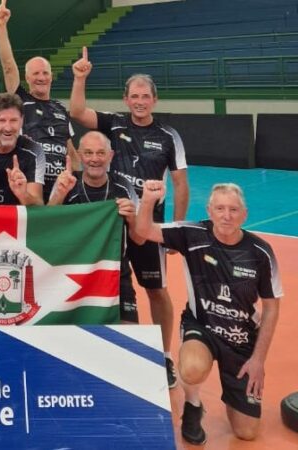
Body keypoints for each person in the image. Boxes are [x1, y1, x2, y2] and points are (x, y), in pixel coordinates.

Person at [70, 47, 190, 387]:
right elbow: (77, 111)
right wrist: (80, 78)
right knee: (107, 285)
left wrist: (175, 229)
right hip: (112, 225)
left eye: (144, 96)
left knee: (156, 290)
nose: (139, 102)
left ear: (154, 100)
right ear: (126, 99)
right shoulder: (114, 123)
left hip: (148, 226)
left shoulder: (168, 136)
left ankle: (164, 356)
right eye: (134, 96)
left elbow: (181, 184)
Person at [135, 181, 281, 445]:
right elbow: (144, 230)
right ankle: (193, 405)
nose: (226, 216)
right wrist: (147, 200)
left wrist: (258, 360)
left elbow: (271, 308)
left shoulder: (260, 252)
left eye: (233, 210)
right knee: (192, 368)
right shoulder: (192, 234)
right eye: (220, 208)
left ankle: (235, 396)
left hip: (241, 339)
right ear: (209, 210)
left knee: (246, 431)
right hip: (201, 326)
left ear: (245, 214)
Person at [48, 131, 144, 323]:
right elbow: (47, 228)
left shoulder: (123, 187)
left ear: (111, 156)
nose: (94, 159)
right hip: (73, 270)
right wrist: (59, 196)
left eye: (101, 153)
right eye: (88, 153)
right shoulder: (67, 183)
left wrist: (132, 219)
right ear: (80, 155)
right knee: (67, 330)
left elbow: (140, 239)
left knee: (129, 331)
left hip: (115, 271)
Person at [0, 0, 77, 202]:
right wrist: (0, 27)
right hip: (29, 187)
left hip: (59, 192)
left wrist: (77, 178)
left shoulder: (60, 109)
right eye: (36, 73)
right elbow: (8, 66)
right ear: (27, 78)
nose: (41, 77)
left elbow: (71, 152)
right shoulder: (20, 100)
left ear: (51, 76)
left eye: (45, 73)